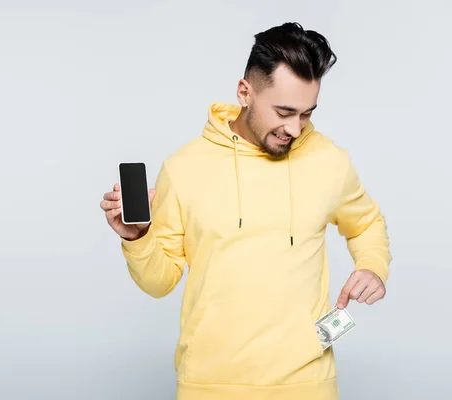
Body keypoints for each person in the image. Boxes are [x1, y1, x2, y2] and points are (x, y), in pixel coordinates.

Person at [100, 22, 392, 400]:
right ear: (245, 92)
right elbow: (160, 282)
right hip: (209, 383)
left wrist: (372, 265)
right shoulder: (184, 167)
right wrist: (138, 238)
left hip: (308, 383)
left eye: (306, 113)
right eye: (284, 111)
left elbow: (366, 222)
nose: (295, 128)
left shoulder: (328, 161)